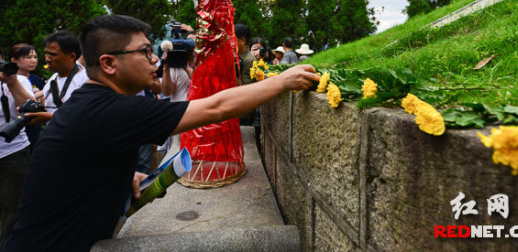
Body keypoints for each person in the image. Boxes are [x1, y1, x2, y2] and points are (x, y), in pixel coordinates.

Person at [2, 15, 318, 252]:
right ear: (109, 63)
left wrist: (125, 179)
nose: (155, 59)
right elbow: (214, 108)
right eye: (145, 51)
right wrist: (282, 81)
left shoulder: (93, 103)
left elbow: (76, 167)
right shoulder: (112, 110)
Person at [0, 64, 35, 245]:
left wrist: (12, 82)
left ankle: (8, 246)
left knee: (13, 207)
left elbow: (32, 110)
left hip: (12, 152)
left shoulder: (18, 80)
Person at [33, 31, 88, 124]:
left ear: (72, 56)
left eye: (53, 54)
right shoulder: (54, 77)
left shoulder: (86, 80)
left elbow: (88, 116)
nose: (47, 59)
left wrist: (51, 117)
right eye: (46, 53)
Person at [9, 44, 43, 151]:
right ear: (14, 60)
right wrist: (42, 92)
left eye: (35, 57)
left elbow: (42, 104)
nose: (33, 61)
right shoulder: (8, 80)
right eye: (29, 57)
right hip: (17, 131)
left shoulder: (36, 79)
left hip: (34, 128)